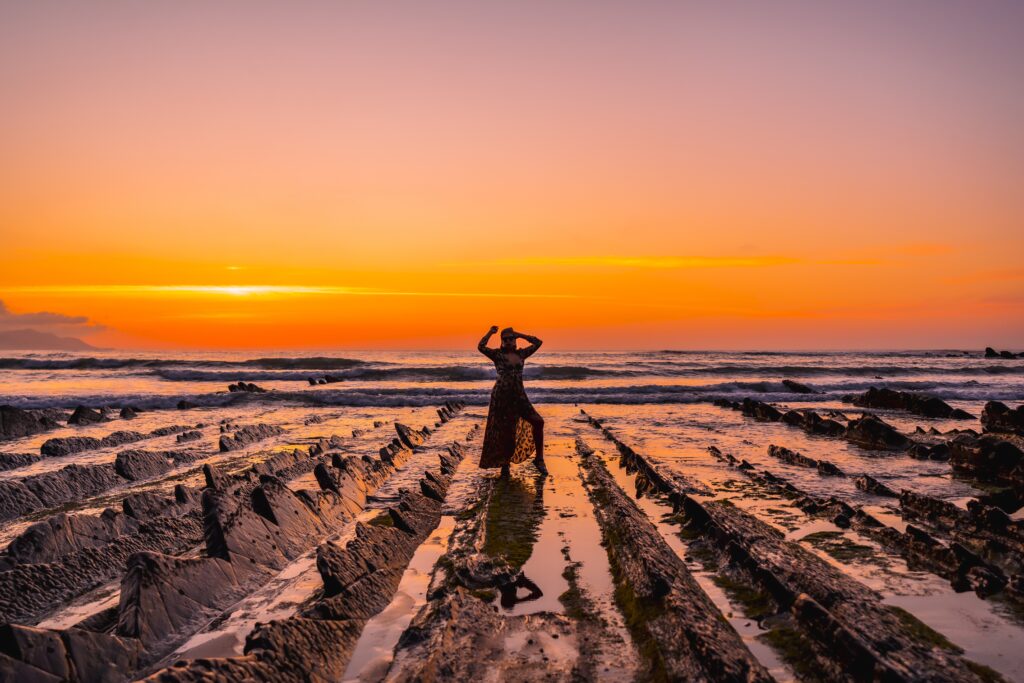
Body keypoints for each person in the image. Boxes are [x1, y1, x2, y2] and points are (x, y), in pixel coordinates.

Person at [477, 325, 546, 476]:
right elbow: (481, 346)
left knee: (538, 422)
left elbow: (538, 342)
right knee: (507, 432)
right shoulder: (497, 355)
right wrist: (490, 332)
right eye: (505, 339)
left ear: (515, 341)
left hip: (520, 395)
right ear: (502, 342)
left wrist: (519, 334)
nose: (508, 341)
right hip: (502, 397)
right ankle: (505, 465)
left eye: (511, 339)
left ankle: (539, 459)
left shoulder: (522, 354)